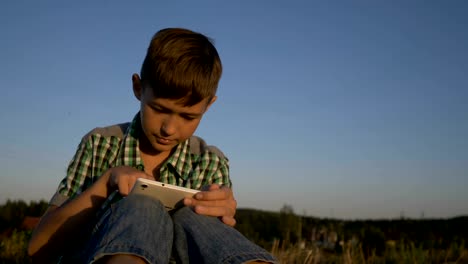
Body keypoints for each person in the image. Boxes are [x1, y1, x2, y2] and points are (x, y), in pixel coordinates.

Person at [28, 28, 277, 264]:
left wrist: (221, 215)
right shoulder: (100, 144)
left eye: (188, 117)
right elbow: (38, 249)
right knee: (142, 206)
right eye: (158, 109)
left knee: (198, 218)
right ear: (138, 88)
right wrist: (105, 184)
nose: (169, 128)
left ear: (208, 105)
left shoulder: (210, 162)